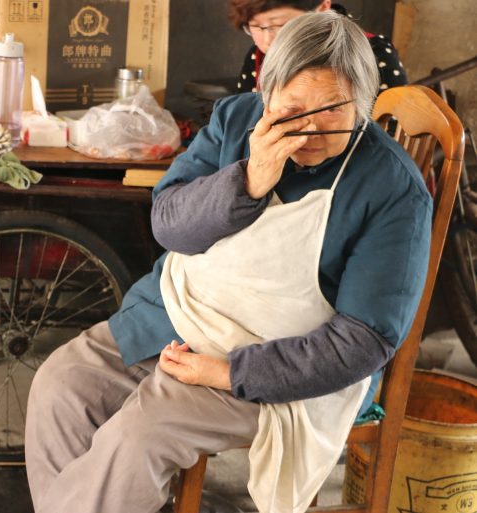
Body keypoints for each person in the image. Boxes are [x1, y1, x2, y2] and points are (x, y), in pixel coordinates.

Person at [25, 11, 431, 513]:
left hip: (278, 366)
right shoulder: (236, 119)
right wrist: (250, 180)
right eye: (292, 108)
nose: (307, 130)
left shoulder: (393, 189)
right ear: (266, 92)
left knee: (137, 434)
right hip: (176, 318)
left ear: (364, 107)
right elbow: (168, 222)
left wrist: (229, 372)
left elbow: (365, 339)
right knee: (61, 384)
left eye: (331, 111)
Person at [230, 0, 407, 94]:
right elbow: (240, 120)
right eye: (256, 26)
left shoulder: (376, 54)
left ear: (323, 7)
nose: (268, 40)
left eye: (281, 26)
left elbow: (391, 133)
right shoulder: (258, 55)